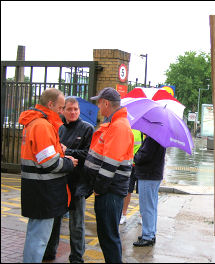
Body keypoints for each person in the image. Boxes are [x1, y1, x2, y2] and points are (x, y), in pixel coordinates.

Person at [18, 88, 78, 263]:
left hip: (37, 189)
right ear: (50, 105)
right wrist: (68, 163)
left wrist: (61, 156)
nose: (62, 112)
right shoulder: (42, 126)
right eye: (60, 108)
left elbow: (45, 156)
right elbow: (50, 163)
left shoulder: (37, 123)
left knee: (35, 235)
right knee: (39, 239)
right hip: (43, 191)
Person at [84, 87, 134, 263]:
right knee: (107, 235)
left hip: (109, 191)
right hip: (109, 190)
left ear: (106, 103)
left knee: (109, 237)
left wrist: (98, 188)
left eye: (99, 102)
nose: (98, 107)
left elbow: (110, 164)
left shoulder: (119, 126)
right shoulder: (115, 124)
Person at [43, 97, 94, 263]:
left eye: (76, 109)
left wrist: (67, 151)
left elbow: (88, 155)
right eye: (69, 109)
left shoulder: (87, 129)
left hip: (78, 183)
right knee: (55, 219)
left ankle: (77, 257)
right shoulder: (59, 129)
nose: (73, 112)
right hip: (59, 182)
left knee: (77, 223)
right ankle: (50, 252)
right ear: (63, 111)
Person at [133, 135, 166, 247]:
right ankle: (150, 233)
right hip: (154, 175)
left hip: (148, 175)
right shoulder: (159, 136)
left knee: (146, 207)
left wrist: (135, 157)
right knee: (151, 206)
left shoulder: (152, 137)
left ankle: (147, 236)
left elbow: (144, 156)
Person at [120, 129, 144, 225]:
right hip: (129, 164)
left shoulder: (144, 131)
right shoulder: (128, 128)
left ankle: (142, 216)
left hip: (140, 166)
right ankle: (123, 214)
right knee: (127, 191)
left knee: (142, 192)